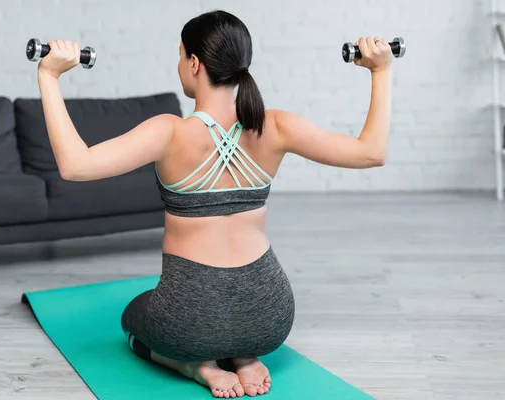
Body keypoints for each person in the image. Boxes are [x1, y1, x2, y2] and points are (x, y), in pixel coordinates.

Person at [35, 10, 392, 399]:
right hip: (270, 316)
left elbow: (74, 166)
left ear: (193, 63)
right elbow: (371, 153)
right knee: (224, 325)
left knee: (131, 316)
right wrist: (381, 70)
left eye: (180, 55)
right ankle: (245, 355)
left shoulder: (169, 132)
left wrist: (48, 76)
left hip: (190, 321)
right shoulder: (275, 126)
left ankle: (193, 364)